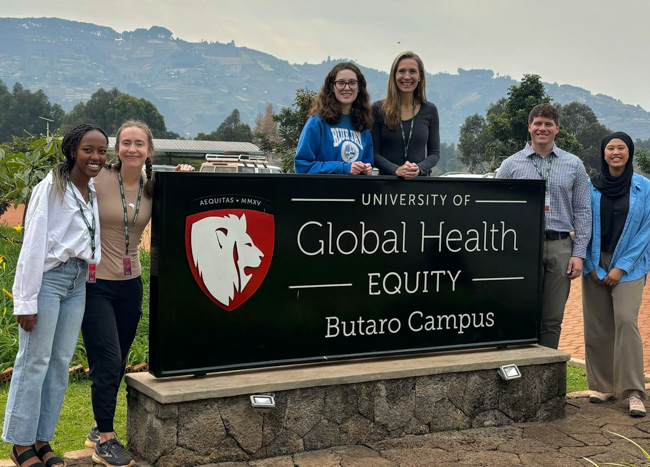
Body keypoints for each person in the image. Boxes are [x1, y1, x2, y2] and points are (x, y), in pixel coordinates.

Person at [81, 120, 195, 467]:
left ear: (149, 150)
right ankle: (106, 439)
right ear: (117, 148)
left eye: (139, 144)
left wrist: (184, 175)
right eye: (126, 143)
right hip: (95, 283)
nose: (132, 149)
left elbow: (185, 207)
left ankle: (96, 427)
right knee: (109, 359)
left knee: (116, 364)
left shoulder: (152, 187)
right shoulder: (95, 180)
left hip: (131, 285)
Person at [3, 124, 107, 467]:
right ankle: (20, 446)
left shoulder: (90, 189)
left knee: (60, 364)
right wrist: (26, 301)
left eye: (102, 151)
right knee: (34, 361)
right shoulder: (51, 188)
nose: (95, 157)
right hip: (49, 280)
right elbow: (32, 245)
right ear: (72, 150)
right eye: (88, 150)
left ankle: (42, 439)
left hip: (77, 282)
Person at [497, 103, 591, 349]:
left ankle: (548, 374)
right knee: (521, 311)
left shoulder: (574, 164)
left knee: (552, 318)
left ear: (557, 129)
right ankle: (521, 368)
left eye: (548, 124)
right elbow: (496, 210)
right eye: (537, 123)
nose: (542, 128)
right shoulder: (510, 165)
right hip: (523, 247)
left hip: (561, 246)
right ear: (529, 127)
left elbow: (583, 210)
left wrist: (578, 253)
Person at [583, 132, 649, 417]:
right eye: (610, 148)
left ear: (629, 152)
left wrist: (621, 266)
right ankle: (603, 385)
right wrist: (594, 266)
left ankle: (634, 391)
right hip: (595, 262)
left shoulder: (643, 187)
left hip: (630, 265)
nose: (616, 152)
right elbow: (583, 224)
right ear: (603, 153)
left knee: (625, 321)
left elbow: (646, 230)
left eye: (621, 147)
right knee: (598, 324)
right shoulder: (590, 186)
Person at [294, 62, 373, 175]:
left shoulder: (363, 125)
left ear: (359, 87)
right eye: (341, 83)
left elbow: (367, 162)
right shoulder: (317, 121)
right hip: (323, 191)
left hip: (352, 192)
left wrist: (366, 169)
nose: (347, 88)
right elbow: (301, 166)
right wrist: (343, 168)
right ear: (332, 87)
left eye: (352, 83)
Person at [371, 51, 440, 178]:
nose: (407, 77)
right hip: (386, 188)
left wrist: (419, 168)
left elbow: (434, 153)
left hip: (420, 187)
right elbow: (373, 153)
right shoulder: (377, 109)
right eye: (402, 71)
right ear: (394, 75)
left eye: (412, 71)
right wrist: (396, 170)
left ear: (420, 77)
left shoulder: (430, 110)